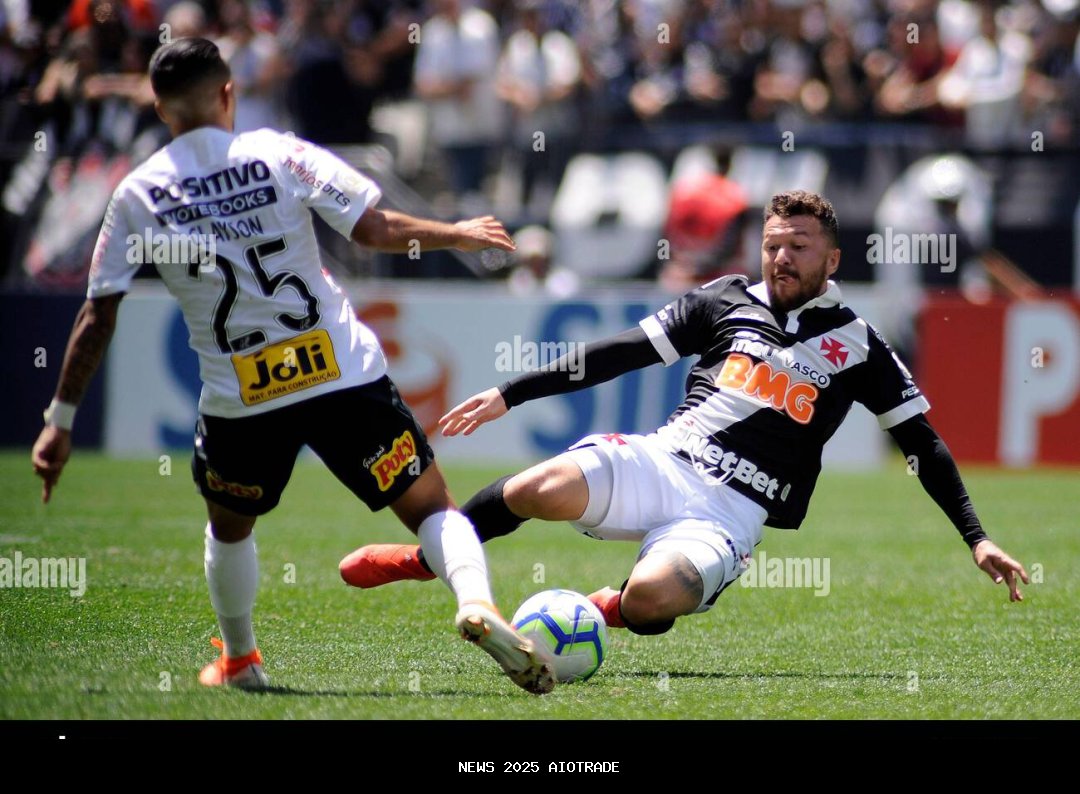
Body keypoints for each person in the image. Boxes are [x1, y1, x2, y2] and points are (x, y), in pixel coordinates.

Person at [30, 37, 555, 695]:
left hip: (242, 398)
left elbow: (96, 314)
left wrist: (60, 420)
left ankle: (242, 659)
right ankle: (476, 603)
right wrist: (458, 231)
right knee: (430, 507)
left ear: (160, 110)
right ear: (229, 92)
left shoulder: (139, 194)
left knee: (229, 530)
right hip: (341, 374)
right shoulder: (277, 153)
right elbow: (375, 228)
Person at [340, 190, 1029, 638]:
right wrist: (509, 393)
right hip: (662, 461)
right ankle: (430, 559)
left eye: (799, 247)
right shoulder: (724, 299)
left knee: (649, 603)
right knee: (531, 489)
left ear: (833, 257)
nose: (782, 257)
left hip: (730, 514)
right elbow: (618, 354)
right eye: (773, 244)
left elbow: (922, 443)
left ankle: (605, 608)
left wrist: (977, 536)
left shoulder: (859, 345)